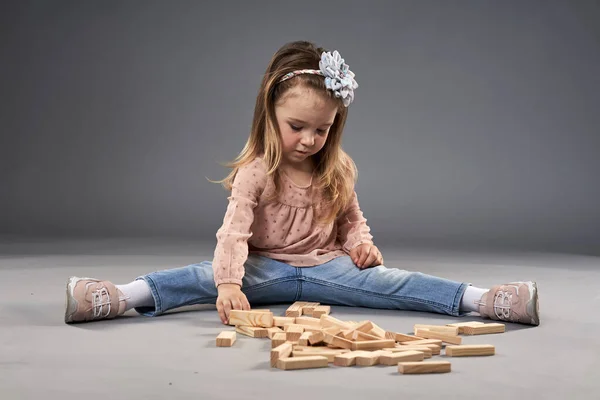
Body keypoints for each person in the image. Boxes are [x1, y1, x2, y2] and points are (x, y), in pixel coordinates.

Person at [64, 40, 540, 326]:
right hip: (261, 269)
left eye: (323, 129)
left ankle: (484, 299)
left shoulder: (338, 170)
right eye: (298, 126)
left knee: (396, 283)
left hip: (328, 268)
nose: (310, 139)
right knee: (197, 276)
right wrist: (229, 284)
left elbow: (354, 221)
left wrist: (362, 247)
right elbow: (233, 234)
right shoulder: (257, 172)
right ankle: (119, 295)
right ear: (269, 113)